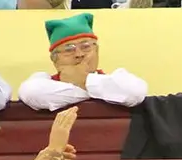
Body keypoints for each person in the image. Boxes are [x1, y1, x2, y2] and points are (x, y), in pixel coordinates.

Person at [18, 13, 147, 112]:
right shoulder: (42, 82)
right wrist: (90, 88)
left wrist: (85, 80)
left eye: (86, 47)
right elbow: (31, 93)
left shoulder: (118, 79)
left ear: (97, 51)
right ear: (55, 60)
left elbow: (135, 93)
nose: (79, 54)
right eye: (69, 49)